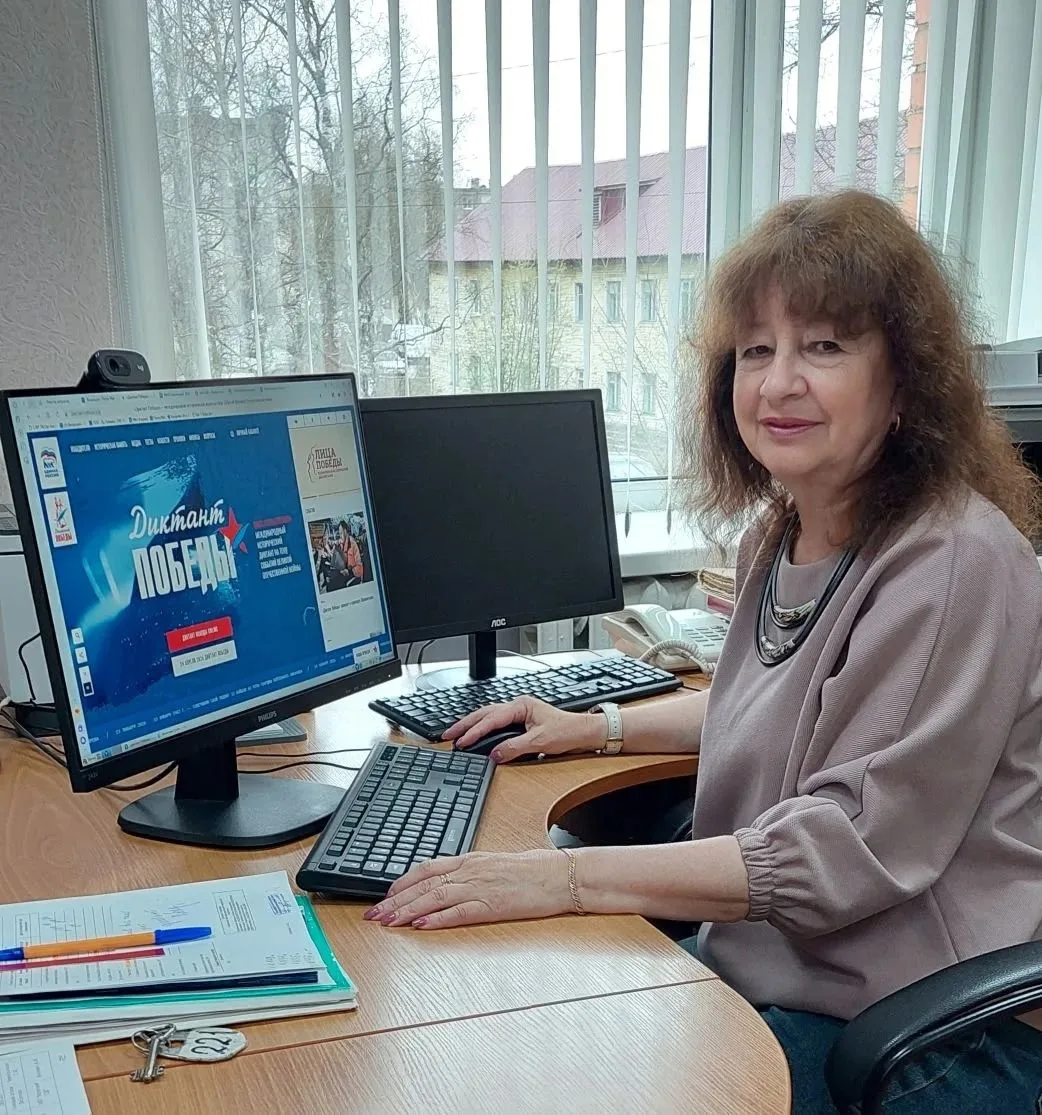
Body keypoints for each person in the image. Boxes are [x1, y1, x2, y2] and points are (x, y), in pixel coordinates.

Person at [363, 191, 1042, 1111]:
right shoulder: (784, 532)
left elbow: (842, 848)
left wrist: (563, 877)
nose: (778, 382)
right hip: (784, 969)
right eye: (756, 349)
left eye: (824, 346)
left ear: (905, 380)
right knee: (503, 1028)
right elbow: (781, 706)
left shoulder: (952, 560)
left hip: (918, 1028)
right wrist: (596, 725)